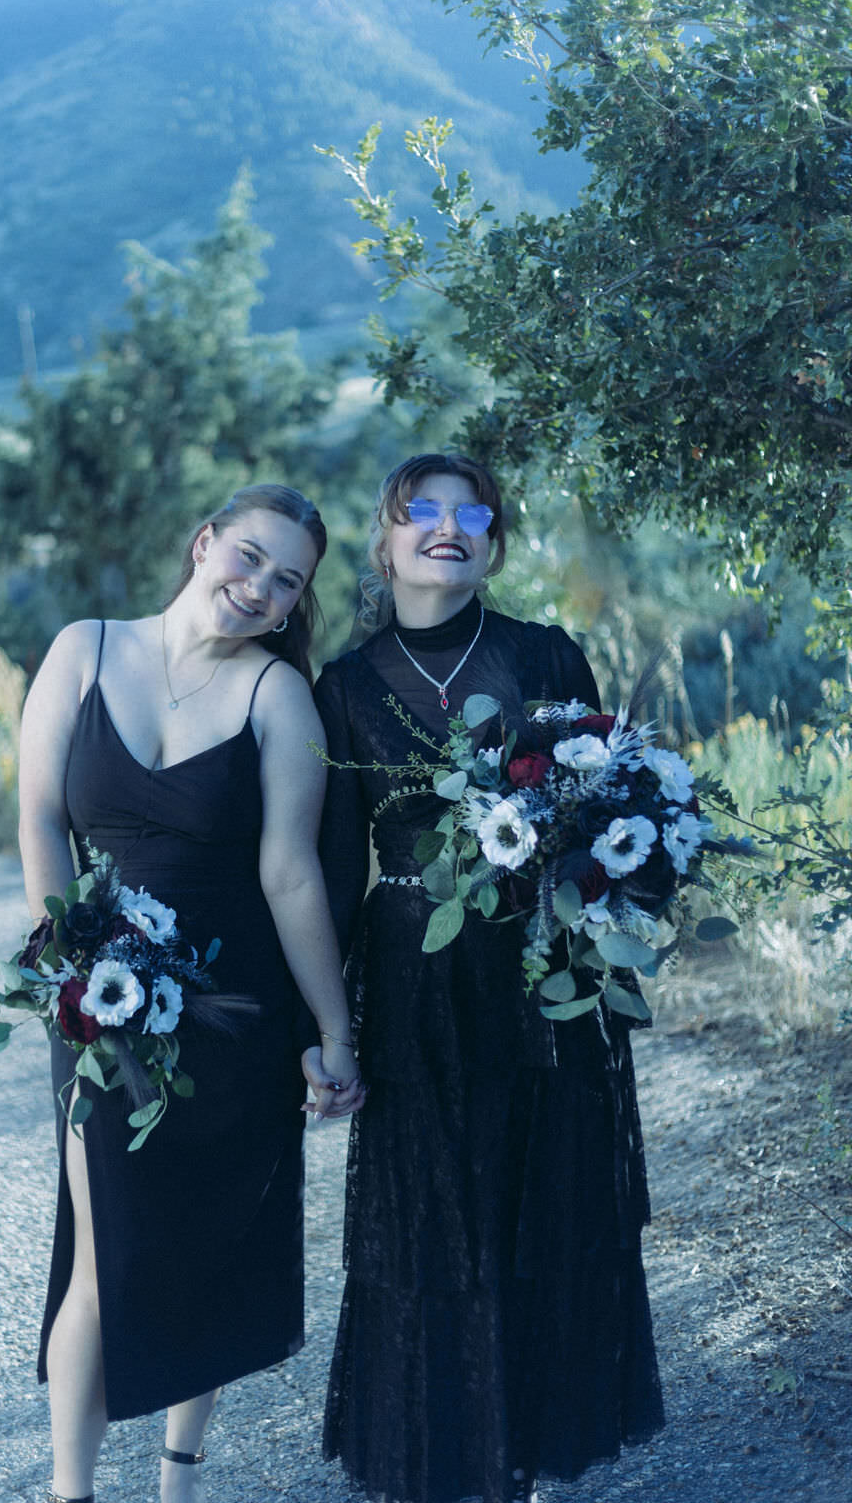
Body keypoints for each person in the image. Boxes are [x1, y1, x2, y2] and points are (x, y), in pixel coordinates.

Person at [314, 455, 664, 1503]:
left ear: (493, 542)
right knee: (435, 1225)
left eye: (472, 514)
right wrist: (325, 1030)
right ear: (385, 540)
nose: (447, 528)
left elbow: (618, 811)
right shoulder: (341, 687)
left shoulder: (543, 652)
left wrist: (619, 902)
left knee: (539, 1206)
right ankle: (446, 1461)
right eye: (420, 511)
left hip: (544, 977)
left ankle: (519, 1466)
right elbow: (332, 876)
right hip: (418, 995)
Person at [17, 484, 364, 1503]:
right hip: (96, 999)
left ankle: (177, 1480)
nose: (257, 588)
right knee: (102, 1243)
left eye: (285, 582)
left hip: (228, 1010)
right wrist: (74, 958)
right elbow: (40, 820)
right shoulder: (83, 650)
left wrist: (332, 1032)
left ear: (295, 603)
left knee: (207, 1239)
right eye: (247, 558)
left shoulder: (274, 696)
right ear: (205, 542)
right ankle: (69, 1492)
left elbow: (290, 875)